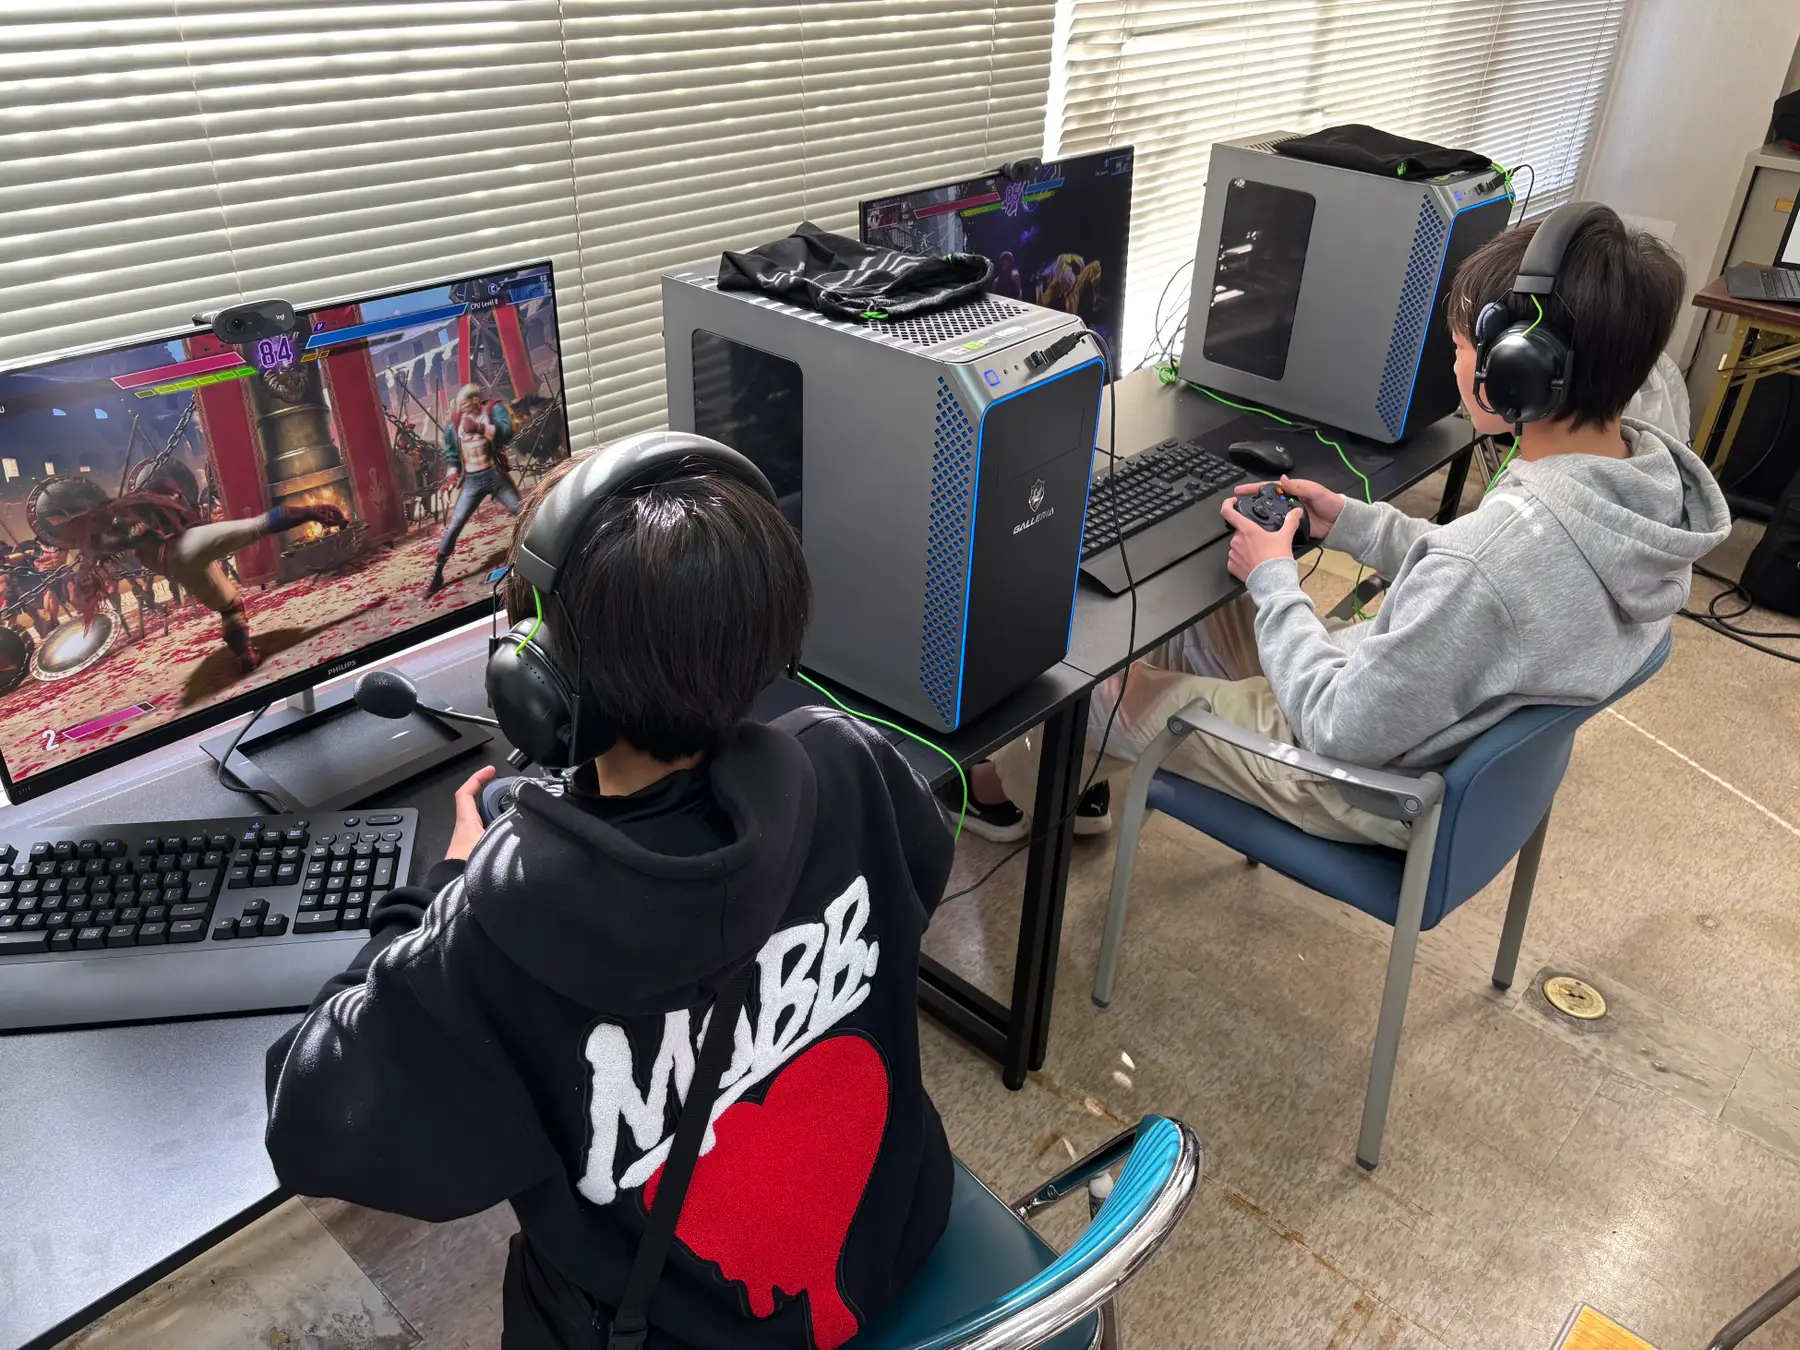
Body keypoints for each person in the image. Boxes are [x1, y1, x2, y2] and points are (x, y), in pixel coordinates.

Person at [265, 455, 959, 1350]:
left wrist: (437, 892)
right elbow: (921, 880)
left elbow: (308, 1122)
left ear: (536, 680)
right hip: (898, 1235)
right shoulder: (849, 761)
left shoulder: (496, 927)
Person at [966, 206, 1730, 849]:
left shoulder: (1487, 565)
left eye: (1463, 348)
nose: (1455, 364)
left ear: (1520, 369)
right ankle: (1093, 767)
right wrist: (1355, 524)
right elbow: (1486, 581)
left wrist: (1275, 576)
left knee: (1087, 683)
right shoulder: (1636, 487)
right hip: (1425, 731)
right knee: (1199, 608)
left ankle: (1007, 792)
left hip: (1355, 782)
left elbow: (1339, 726)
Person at [34, 484, 346, 673]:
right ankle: (314, 512)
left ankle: (245, 656)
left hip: (181, 568)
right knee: (256, 527)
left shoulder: (110, 526)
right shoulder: (106, 533)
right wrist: (131, 529)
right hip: (185, 547)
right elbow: (131, 535)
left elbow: (139, 527)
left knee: (230, 606)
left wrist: (131, 525)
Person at [425, 382, 522, 597]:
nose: (462, 409)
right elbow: (452, 455)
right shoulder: (455, 425)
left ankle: (540, 547)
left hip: (494, 475)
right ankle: (438, 572)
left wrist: (480, 428)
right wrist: (452, 475)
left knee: (522, 511)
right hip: (472, 481)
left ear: (476, 400)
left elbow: (507, 433)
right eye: (460, 406)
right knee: (455, 525)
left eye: (466, 404)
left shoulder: (492, 411)